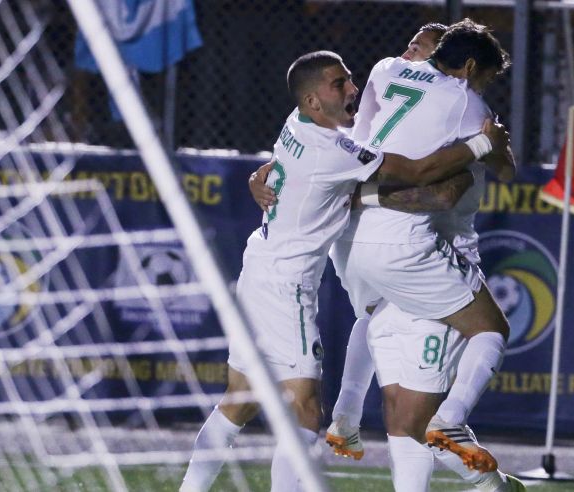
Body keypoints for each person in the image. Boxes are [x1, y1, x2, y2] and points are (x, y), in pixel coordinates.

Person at [180, 49, 505, 492]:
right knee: (306, 409)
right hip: (286, 285)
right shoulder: (335, 150)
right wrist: (482, 144)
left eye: (350, 78)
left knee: (239, 400)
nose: (354, 89)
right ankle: (381, 423)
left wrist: (260, 174)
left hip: (259, 265)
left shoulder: (298, 123)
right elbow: (415, 170)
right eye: (340, 84)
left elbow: (288, 165)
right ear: (313, 101)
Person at [328, 19, 521, 491]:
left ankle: (346, 417)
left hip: (351, 240)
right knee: (485, 337)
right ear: (470, 67)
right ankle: (453, 421)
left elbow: (368, 138)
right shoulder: (463, 101)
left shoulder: (387, 70)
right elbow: (498, 168)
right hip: (415, 251)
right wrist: (487, 141)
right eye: (487, 78)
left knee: (401, 411)